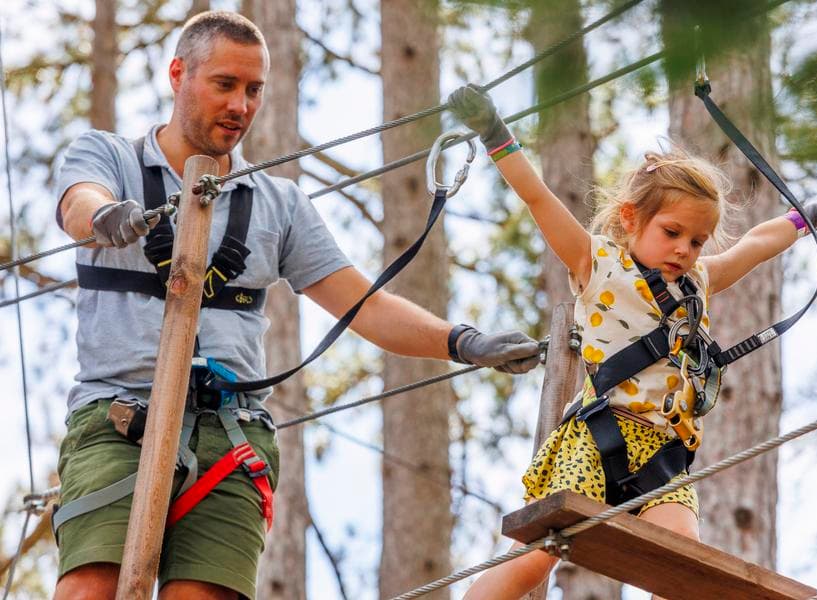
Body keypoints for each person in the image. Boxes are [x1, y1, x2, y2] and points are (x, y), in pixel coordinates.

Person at [52, 13, 540, 600]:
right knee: (89, 590)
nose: (241, 105)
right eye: (225, 84)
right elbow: (81, 202)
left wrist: (463, 342)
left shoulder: (278, 205)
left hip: (228, 437)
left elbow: (367, 306)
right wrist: (108, 217)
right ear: (179, 74)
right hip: (120, 419)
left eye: (254, 90)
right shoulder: (111, 158)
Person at [447, 84, 817, 599]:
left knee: (685, 561)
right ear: (630, 219)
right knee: (539, 553)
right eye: (671, 233)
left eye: (696, 241)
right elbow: (538, 198)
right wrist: (493, 132)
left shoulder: (697, 284)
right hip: (598, 438)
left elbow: (753, 247)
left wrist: (811, 217)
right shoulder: (597, 264)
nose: (684, 250)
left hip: (663, 454)